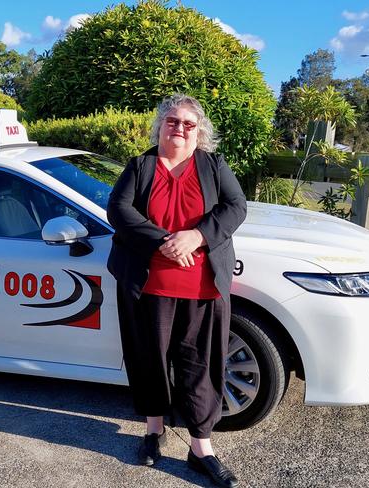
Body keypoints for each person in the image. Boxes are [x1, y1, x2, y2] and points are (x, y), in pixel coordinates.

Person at [107, 93, 246, 488]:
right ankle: (154, 430)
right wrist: (165, 241)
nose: (179, 128)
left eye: (188, 123)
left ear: (199, 131)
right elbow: (118, 210)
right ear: (160, 125)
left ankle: (201, 447)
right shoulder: (140, 165)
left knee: (201, 365)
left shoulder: (214, 165)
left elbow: (235, 207)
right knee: (149, 358)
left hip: (203, 286)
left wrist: (196, 236)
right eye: (172, 121)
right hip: (148, 285)